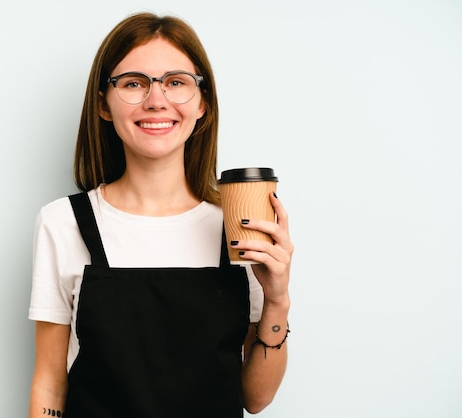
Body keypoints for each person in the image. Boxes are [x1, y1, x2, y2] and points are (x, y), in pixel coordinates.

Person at [28, 12, 293, 418]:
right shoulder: (63, 223)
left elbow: (255, 399)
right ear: (103, 103)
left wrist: (277, 299)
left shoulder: (238, 227)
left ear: (202, 103)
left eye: (176, 82)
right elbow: (49, 382)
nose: (156, 100)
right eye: (133, 83)